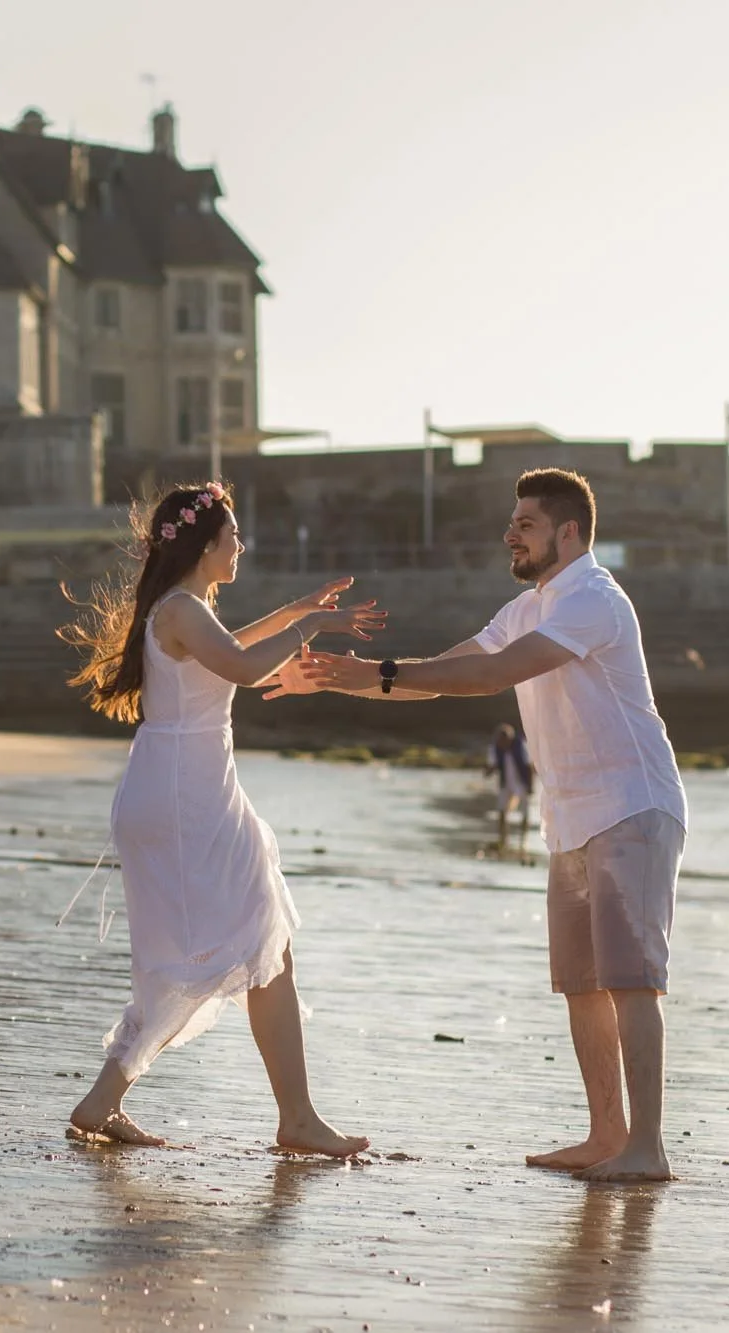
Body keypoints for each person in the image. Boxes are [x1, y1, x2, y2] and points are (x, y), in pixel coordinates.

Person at [271, 467, 687, 1182]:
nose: (510, 533)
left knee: (632, 980)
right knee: (583, 984)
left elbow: (496, 677)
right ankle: (605, 1134)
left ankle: (647, 1147)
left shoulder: (592, 598)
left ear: (568, 532)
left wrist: (385, 671)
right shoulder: (527, 607)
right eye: (513, 521)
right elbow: (458, 663)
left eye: (524, 523)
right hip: (571, 818)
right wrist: (359, 675)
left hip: (631, 805)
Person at [59, 480, 383, 1156]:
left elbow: (229, 643)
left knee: (219, 948)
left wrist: (294, 611)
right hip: (188, 796)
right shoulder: (179, 609)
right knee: (261, 939)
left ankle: (103, 1100)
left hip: (179, 789)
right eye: (233, 536)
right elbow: (237, 663)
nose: (241, 545)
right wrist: (310, 626)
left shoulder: (182, 609)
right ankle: (296, 1118)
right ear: (206, 547)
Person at [486, 722, 535, 858]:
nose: (502, 742)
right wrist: (487, 771)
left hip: (521, 783)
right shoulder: (496, 748)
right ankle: (503, 839)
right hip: (506, 784)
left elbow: (529, 767)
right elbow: (492, 765)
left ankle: (523, 840)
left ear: (510, 738)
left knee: (525, 812)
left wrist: (531, 786)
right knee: (501, 810)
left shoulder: (520, 746)